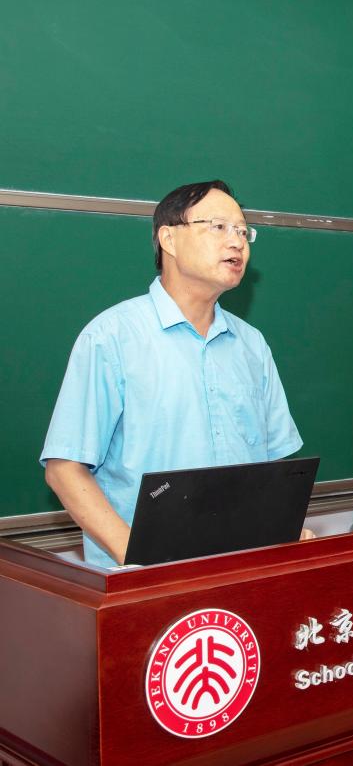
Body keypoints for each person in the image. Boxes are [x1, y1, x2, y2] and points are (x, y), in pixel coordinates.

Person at [41, 180, 306, 568]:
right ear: (169, 239)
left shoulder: (252, 345)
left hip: (245, 571)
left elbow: (276, 469)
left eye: (242, 231)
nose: (237, 242)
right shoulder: (112, 337)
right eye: (219, 227)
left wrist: (286, 528)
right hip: (145, 583)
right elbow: (64, 470)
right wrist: (138, 558)